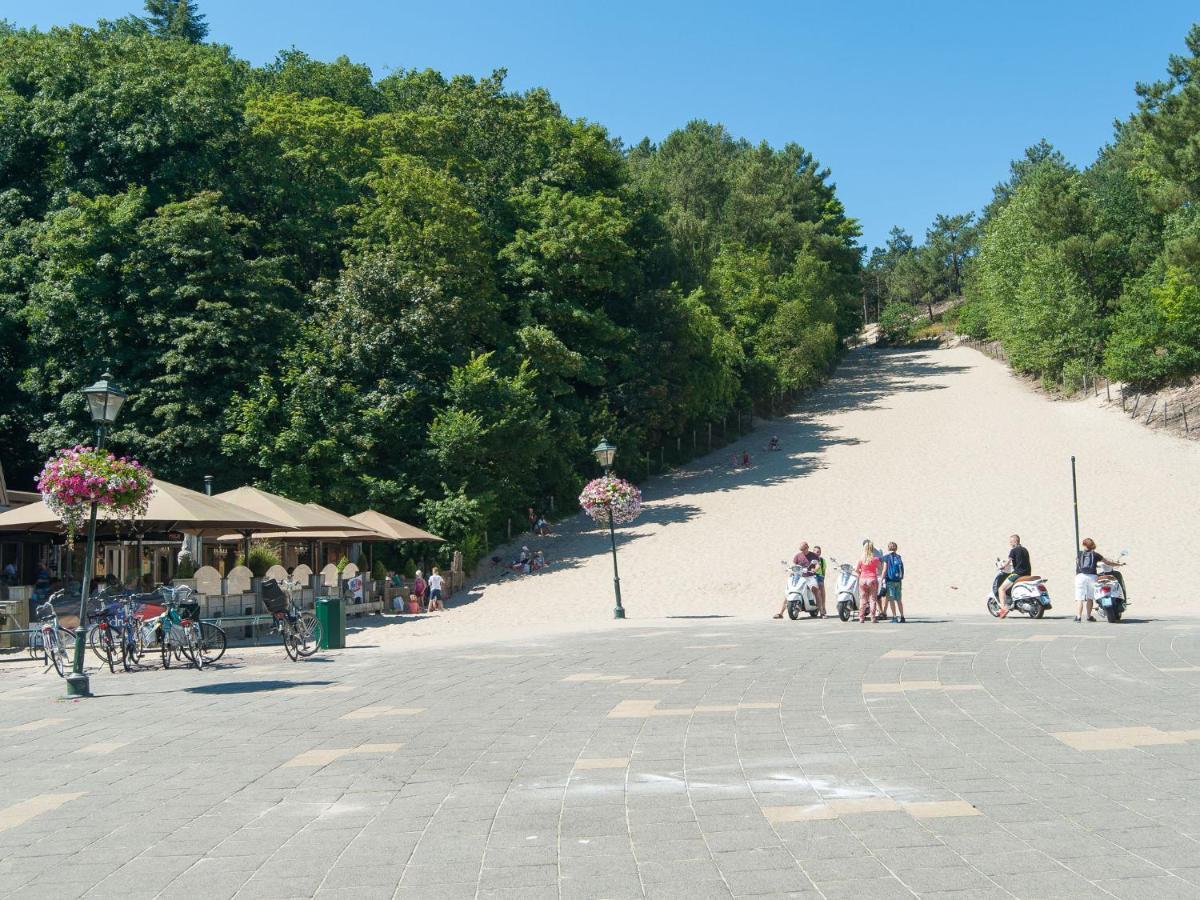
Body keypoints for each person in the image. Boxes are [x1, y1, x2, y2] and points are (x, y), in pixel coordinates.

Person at [1075, 538, 1122, 623]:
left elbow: (1078, 563)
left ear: (1084, 545)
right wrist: (1118, 564)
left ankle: (1078, 617)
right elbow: (1107, 562)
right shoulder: (1096, 555)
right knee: (1090, 598)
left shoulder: (1079, 554)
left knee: (1079, 598)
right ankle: (1089, 616)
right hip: (1092, 577)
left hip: (1080, 576)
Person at [776, 542, 815, 618]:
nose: (802, 551)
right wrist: (790, 569)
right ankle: (781, 613)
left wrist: (813, 569)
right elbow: (794, 565)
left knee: (815, 590)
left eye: (803, 549)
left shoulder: (812, 555)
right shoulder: (798, 556)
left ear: (807, 547)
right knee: (788, 594)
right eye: (801, 549)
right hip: (798, 576)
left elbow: (817, 565)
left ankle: (821, 611)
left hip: (809, 576)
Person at [997, 534, 1031, 619]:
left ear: (1015, 541)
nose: (1010, 543)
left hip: (1017, 574)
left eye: (1011, 542)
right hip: (1027, 573)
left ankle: (1004, 608)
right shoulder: (1025, 550)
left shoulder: (1014, 550)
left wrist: (1002, 566)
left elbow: (1008, 562)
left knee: (1001, 589)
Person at [857, 540, 883, 623]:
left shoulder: (861, 559)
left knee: (863, 599)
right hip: (872, 579)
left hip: (863, 579)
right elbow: (880, 568)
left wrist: (861, 573)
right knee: (872, 599)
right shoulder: (875, 559)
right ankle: (873, 618)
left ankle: (861, 618)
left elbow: (856, 569)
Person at [881, 542, 906, 623]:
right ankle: (902, 617)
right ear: (896, 548)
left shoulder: (886, 557)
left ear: (888, 548)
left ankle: (895, 617)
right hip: (898, 581)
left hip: (890, 581)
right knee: (899, 599)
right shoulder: (898, 557)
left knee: (891, 599)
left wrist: (882, 579)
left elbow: (884, 569)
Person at [810, 545, 827, 618]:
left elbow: (823, 571)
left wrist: (822, 578)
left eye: (818, 552)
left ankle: (822, 608)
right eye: (815, 551)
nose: (817, 553)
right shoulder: (810, 559)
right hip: (810, 576)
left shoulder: (822, 560)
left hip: (819, 576)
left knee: (821, 588)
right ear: (813, 551)